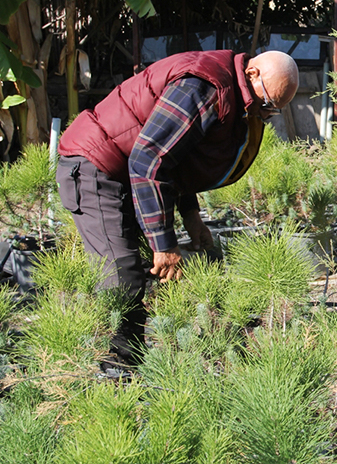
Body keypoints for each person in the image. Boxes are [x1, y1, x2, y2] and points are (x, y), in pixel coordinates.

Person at [56, 49, 299, 367]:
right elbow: (149, 161)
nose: (265, 114)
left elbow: (176, 160)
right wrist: (163, 243)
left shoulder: (227, 88)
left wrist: (191, 216)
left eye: (273, 111)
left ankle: (141, 360)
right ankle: (116, 376)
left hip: (125, 171)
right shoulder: (205, 86)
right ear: (252, 74)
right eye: (267, 103)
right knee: (121, 275)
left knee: (140, 272)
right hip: (93, 166)